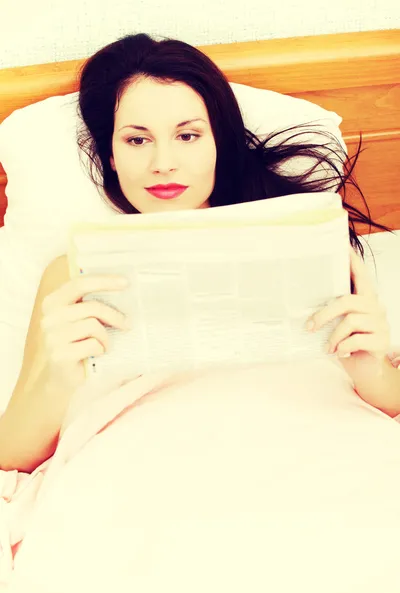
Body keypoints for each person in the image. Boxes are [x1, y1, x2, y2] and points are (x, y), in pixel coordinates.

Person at [0, 33, 397, 475]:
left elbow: (390, 398)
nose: (164, 162)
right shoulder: (73, 274)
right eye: (136, 141)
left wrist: (372, 369)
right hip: (139, 470)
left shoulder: (305, 242)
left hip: (315, 448)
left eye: (187, 135)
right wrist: (58, 378)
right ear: (109, 155)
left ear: (217, 143)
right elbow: (9, 454)